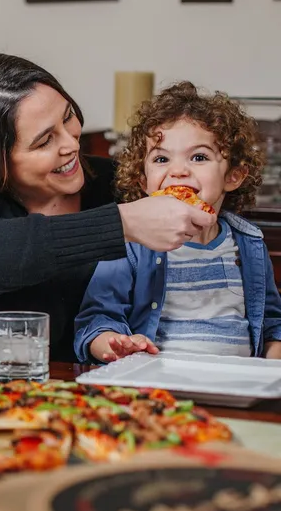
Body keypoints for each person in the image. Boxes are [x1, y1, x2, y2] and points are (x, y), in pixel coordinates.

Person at [0, 55, 215, 362]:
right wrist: (121, 223)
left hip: (101, 389)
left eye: (68, 116)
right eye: (45, 140)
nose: (71, 144)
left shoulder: (118, 181)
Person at [74, 81, 281, 363]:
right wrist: (114, 344)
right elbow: (97, 318)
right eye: (161, 158)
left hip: (236, 386)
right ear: (143, 181)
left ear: (233, 175)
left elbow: (271, 325)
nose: (179, 171)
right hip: (156, 386)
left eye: (199, 157)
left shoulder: (249, 244)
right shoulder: (129, 242)